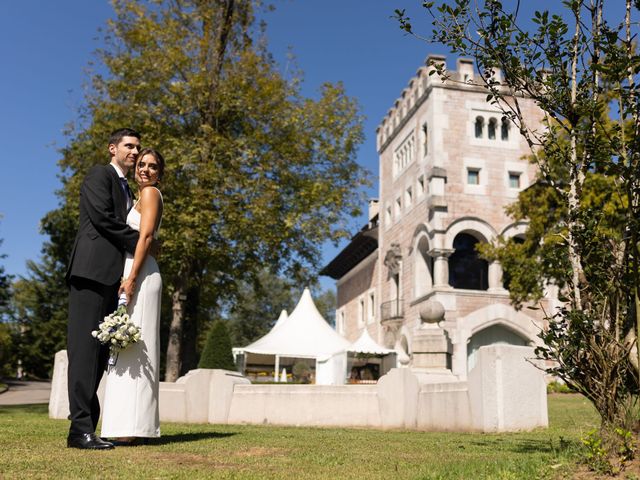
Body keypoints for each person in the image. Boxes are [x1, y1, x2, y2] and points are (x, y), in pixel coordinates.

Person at [66, 128, 141, 450]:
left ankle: (88, 427)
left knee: (98, 356)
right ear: (112, 148)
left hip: (112, 276)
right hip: (91, 272)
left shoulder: (128, 187)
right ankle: (79, 430)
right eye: (129, 146)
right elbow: (102, 218)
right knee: (84, 354)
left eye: (138, 147)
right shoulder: (100, 175)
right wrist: (142, 243)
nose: (135, 152)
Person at [100, 148, 164, 445]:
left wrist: (132, 278)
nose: (146, 170)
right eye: (142, 164)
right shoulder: (138, 197)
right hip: (131, 271)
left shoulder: (151, 194)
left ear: (159, 173)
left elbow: (147, 237)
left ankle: (136, 427)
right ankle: (122, 425)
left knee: (137, 348)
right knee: (124, 348)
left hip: (140, 275)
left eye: (152, 166)